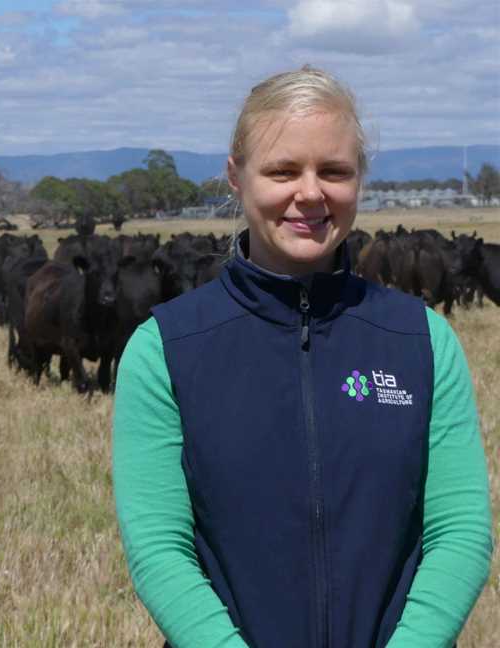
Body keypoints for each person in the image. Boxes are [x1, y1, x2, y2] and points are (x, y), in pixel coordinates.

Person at [112, 66, 493, 648]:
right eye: (282, 170)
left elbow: (460, 533)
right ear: (236, 178)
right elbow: (160, 551)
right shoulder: (166, 349)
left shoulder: (421, 341)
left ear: (359, 179)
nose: (311, 193)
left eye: (335, 171)